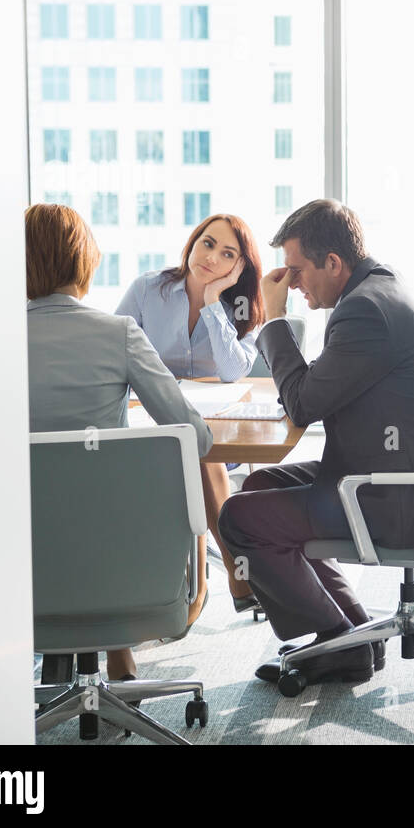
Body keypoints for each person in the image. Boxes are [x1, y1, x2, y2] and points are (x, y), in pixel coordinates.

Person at [219, 199, 414, 685]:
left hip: (405, 499)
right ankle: (353, 631)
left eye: (296, 270)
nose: (291, 283)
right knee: (259, 484)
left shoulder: (364, 312)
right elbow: (326, 384)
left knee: (237, 518)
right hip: (409, 476)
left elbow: (302, 405)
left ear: (333, 263)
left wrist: (274, 322)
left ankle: (338, 642)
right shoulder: (380, 289)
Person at [25, 204, 213, 682]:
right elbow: (195, 437)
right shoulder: (118, 334)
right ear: (84, 262)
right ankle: (119, 651)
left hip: (20, 567)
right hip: (124, 563)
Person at [116, 214, 265, 616]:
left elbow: (234, 371)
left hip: (216, 437)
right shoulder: (149, 289)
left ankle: (197, 590)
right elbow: (113, 352)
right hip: (150, 425)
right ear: (193, 242)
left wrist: (215, 301)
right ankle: (234, 566)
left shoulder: (243, 307)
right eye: (207, 242)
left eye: (227, 253)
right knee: (190, 446)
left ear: (239, 267)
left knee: (196, 448)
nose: (211, 256)